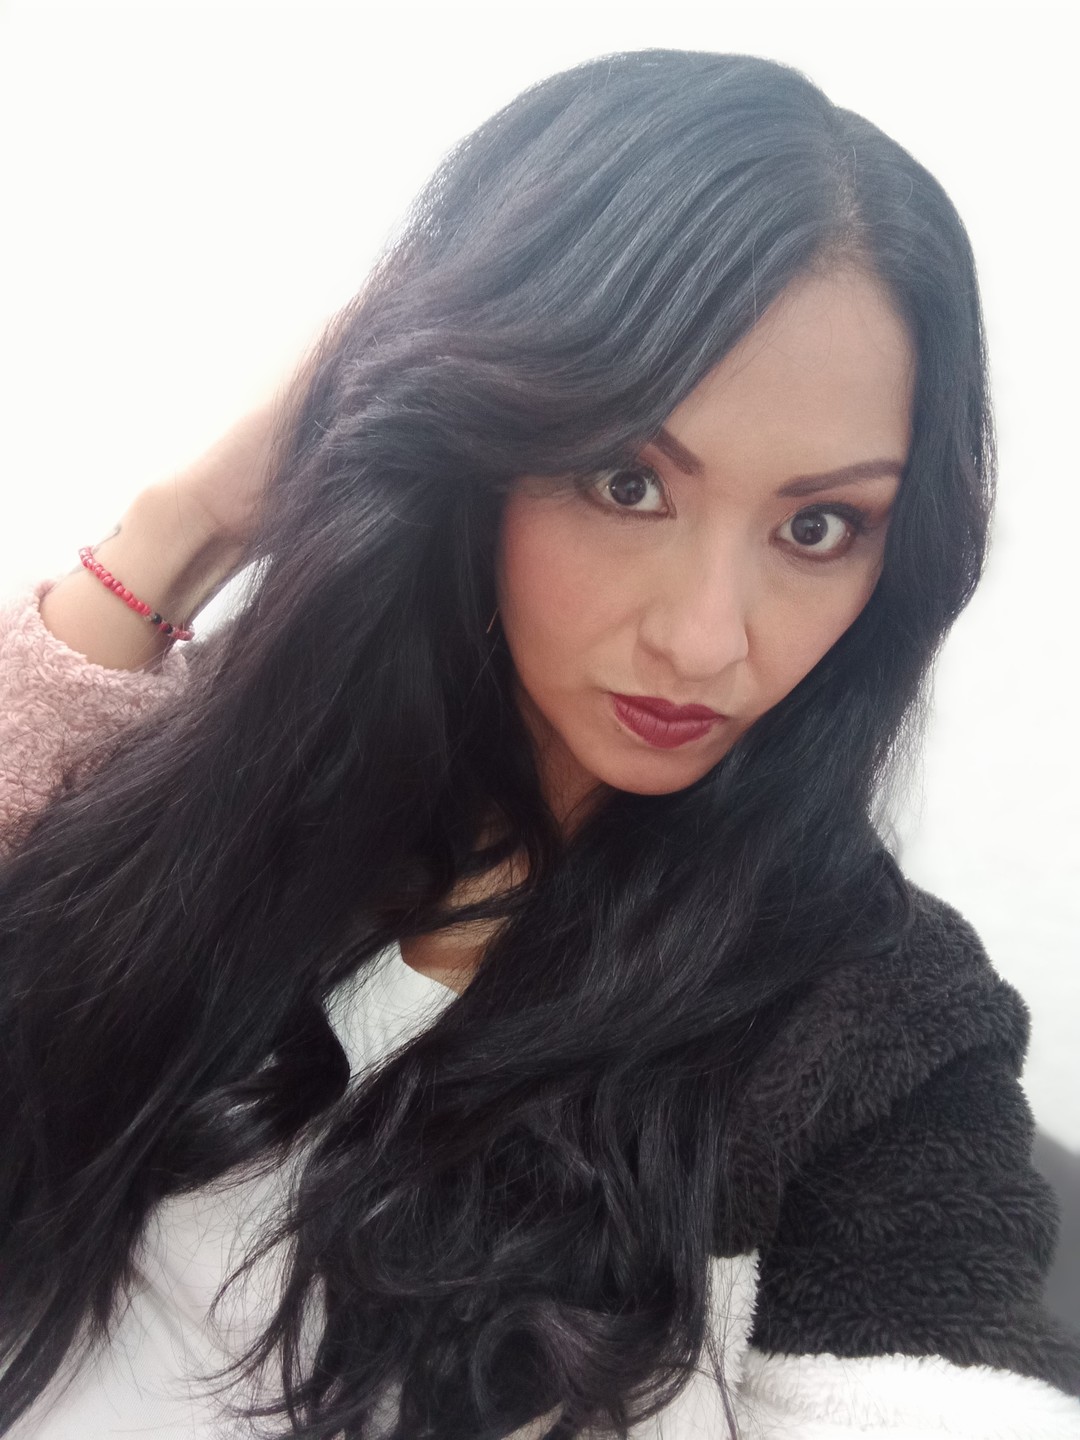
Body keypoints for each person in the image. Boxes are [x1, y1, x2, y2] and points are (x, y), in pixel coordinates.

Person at [0, 47, 1077, 1440]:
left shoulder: (874, 1034)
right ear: (478, 443)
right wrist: (191, 515)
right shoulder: (242, 799)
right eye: (628, 482)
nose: (708, 640)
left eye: (819, 526)